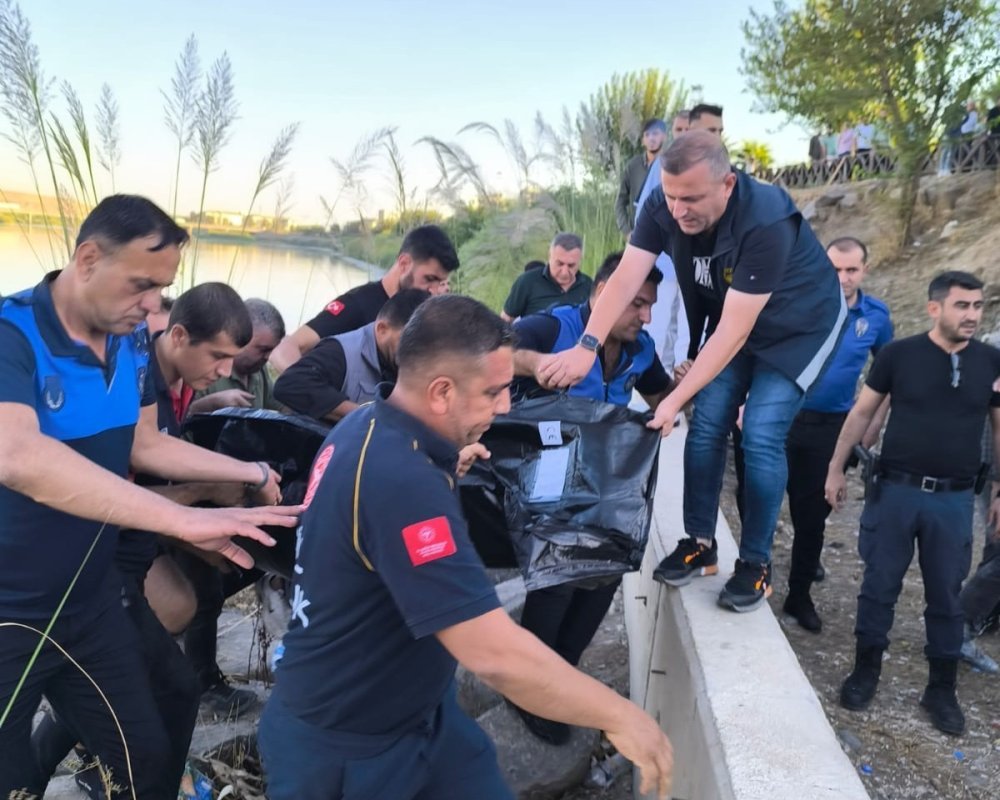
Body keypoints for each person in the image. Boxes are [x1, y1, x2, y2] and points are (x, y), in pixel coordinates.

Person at [258, 294, 674, 800]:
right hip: (348, 744)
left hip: (422, 716)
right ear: (440, 392)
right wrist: (623, 717)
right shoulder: (403, 480)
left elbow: (372, 526)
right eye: (494, 391)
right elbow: (493, 653)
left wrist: (444, 469)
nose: (505, 406)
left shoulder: (366, 424)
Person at [0, 195, 297, 799]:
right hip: (11, 606)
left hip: (89, 602)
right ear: (87, 259)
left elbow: (146, 445)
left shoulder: (133, 343)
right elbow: (19, 456)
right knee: (15, 782)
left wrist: (246, 471)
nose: (153, 306)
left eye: (162, 288)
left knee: (146, 762)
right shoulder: (13, 335)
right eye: (142, 285)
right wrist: (176, 518)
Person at [539, 132, 845, 612]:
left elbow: (736, 334)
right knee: (706, 428)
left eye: (692, 199)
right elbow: (626, 276)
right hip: (737, 319)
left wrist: (675, 398)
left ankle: (756, 565)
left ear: (727, 184)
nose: (678, 210)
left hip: (797, 327)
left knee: (760, 433)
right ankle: (700, 543)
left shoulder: (765, 218)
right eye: (672, 196)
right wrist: (586, 344)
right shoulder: (663, 201)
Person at [826, 271, 1000, 736]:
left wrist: (999, 488)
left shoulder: (991, 361)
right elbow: (862, 412)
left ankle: (940, 689)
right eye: (962, 305)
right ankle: (866, 672)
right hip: (896, 493)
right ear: (934, 308)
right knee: (879, 585)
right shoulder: (898, 356)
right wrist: (835, 468)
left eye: (978, 306)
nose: (972, 315)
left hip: (955, 499)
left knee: (946, 594)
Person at [508, 253, 672, 743]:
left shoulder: (638, 348)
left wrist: (682, 390)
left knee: (602, 578)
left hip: (605, 482)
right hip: (549, 477)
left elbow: (664, 400)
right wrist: (538, 364)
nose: (645, 316)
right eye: (637, 304)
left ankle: (564, 675)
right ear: (603, 292)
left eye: (650, 307)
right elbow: (497, 353)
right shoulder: (552, 326)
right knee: (557, 578)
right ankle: (530, 692)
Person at [781, 237, 893, 633]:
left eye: (851, 270)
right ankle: (755, 571)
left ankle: (798, 593)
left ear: (864, 269)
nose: (842, 278)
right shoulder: (797, 304)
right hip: (783, 416)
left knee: (813, 515)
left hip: (834, 427)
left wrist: (873, 425)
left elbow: (887, 373)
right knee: (760, 495)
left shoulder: (876, 316)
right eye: (834, 270)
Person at [269, 224, 459, 372]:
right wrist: (309, 390)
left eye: (440, 283)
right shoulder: (357, 304)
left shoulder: (425, 316)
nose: (434, 291)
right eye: (429, 279)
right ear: (404, 263)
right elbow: (285, 348)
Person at [273, 288, 431, 422]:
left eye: (422, 345)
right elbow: (289, 385)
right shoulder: (339, 352)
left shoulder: (425, 362)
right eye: (408, 341)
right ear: (382, 329)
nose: (415, 352)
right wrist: (367, 417)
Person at [190, 297, 285, 413]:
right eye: (263, 349)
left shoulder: (259, 370)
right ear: (240, 336)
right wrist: (211, 403)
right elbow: (177, 420)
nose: (267, 357)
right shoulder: (204, 368)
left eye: (271, 350)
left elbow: (279, 406)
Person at [501, 232, 592, 321]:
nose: (564, 272)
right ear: (549, 257)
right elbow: (506, 320)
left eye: (571, 266)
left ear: (580, 261)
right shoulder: (527, 282)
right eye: (559, 264)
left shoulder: (589, 286)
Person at [616, 119, 668, 238]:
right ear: (642, 140)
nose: (651, 138)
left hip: (665, 236)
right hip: (638, 236)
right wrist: (627, 231)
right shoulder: (633, 166)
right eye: (647, 135)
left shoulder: (671, 164)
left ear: (664, 136)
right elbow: (620, 202)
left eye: (655, 133)